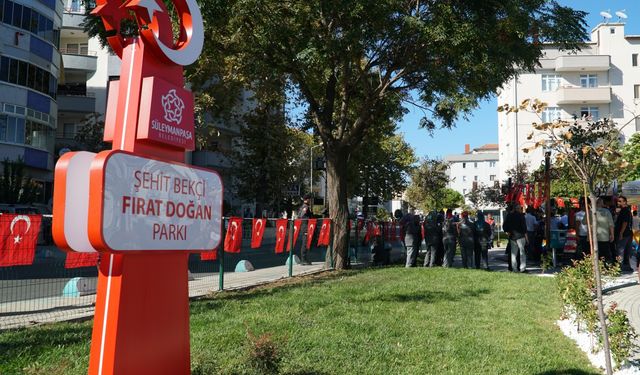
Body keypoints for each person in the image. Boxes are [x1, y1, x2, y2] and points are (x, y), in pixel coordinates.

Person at [503, 204, 527, 273]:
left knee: (513, 253)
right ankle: (523, 268)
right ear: (518, 209)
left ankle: (514, 269)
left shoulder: (509, 215)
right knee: (522, 252)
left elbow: (505, 226)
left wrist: (508, 232)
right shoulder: (521, 216)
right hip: (520, 236)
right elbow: (524, 227)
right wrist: (526, 237)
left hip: (512, 237)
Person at [614, 196, 633, 271]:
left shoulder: (625, 210)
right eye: (618, 201)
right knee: (627, 251)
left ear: (625, 202)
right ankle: (627, 267)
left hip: (624, 234)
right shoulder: (627, 210)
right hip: (628, 233)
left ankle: (620, 267)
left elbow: (625, 222)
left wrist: (621, 233)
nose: (618, 202)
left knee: (620, 250)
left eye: (620, 201)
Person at [595, 198, 615, 263]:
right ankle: (604, 267)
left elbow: (584, 222)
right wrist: (612, 234)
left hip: (593, 237)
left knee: (595, 254)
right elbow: (611, 224)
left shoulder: (590, 211)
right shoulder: (607, 211)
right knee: (605, 254)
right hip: (604, 237)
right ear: (601, 203)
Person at [298, 195, 313, 265]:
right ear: (307, 199)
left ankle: (304, 259)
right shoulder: (305, 207)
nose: (310, 201)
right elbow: (302, 216)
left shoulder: (303, 206)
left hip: (305, 227)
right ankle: (303, 259)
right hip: (305, 227)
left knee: (306, 243)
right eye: (309, 199)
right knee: (304, 243)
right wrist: (308, 220)